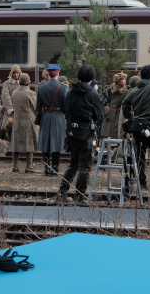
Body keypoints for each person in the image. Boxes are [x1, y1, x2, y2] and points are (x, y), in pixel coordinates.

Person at [59, 64, 104, 202]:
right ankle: (80, 195)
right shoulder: (93, 95)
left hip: (71, 132)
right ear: (92, 77)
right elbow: (99, 115)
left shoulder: (70, 92)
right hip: (87, 133)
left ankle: (62, 193)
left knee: (73, 164)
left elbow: (65, 109)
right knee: (85, 166)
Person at [36, 66, 69, 176]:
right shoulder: (63, 88)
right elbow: (66, 106)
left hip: (45, 116)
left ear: (49, 74)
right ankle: (55, 168)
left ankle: (46, 168)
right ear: (58, 74)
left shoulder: (41, 87)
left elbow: (38, 107)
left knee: (45, 141)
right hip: (59, 116)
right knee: (57, 141)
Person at [9, 73, 39, 173]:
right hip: (28, 121)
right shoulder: (30, 93)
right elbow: (35, 108)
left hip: (17, 120)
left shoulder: (14, 93)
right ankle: (29, 166)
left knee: (16, 144)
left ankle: (15, 166)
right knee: (29, 143)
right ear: (28, 82)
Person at [100, 73, 129, 139]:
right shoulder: (110, 89)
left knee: (117, 130)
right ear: (118, 80)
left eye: (125, 79)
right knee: (107, 130)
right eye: (123, 79)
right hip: (110, 112)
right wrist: (106, 107)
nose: (125, 81)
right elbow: (104, 99)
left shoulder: (126, 91)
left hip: (119, 112)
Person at [0, 65, 22, 141]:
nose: (16, 75)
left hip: (20, 110)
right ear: (11, 73)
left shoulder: (22, 83)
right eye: (14, 73)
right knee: (6, 127)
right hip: (9, 111)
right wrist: (10, 108)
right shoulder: (7, 84)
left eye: (17, 73)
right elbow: (5, 96)